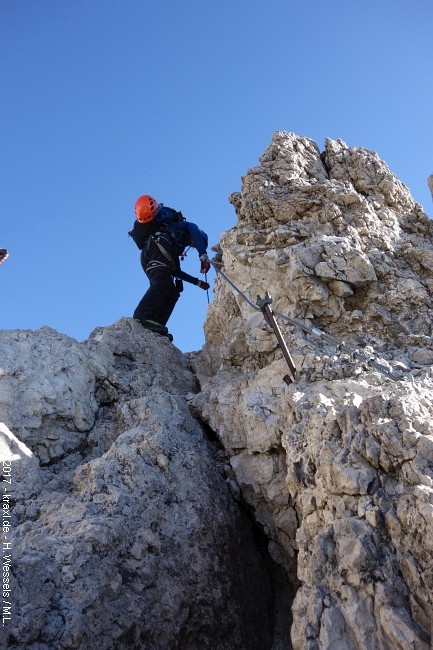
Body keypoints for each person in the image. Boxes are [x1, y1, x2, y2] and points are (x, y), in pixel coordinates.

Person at [129, 195, 211, 340]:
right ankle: (141, 316)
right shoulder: (179, 228)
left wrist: (197, 282)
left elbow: (175, 271)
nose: (191, 245)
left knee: (172, 291)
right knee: (162, 282)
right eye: (194, 243)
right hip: (156, 246)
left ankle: (156, 324)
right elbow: (193, 227)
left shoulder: (173, 245)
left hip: (153, 252)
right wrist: (202, 254)